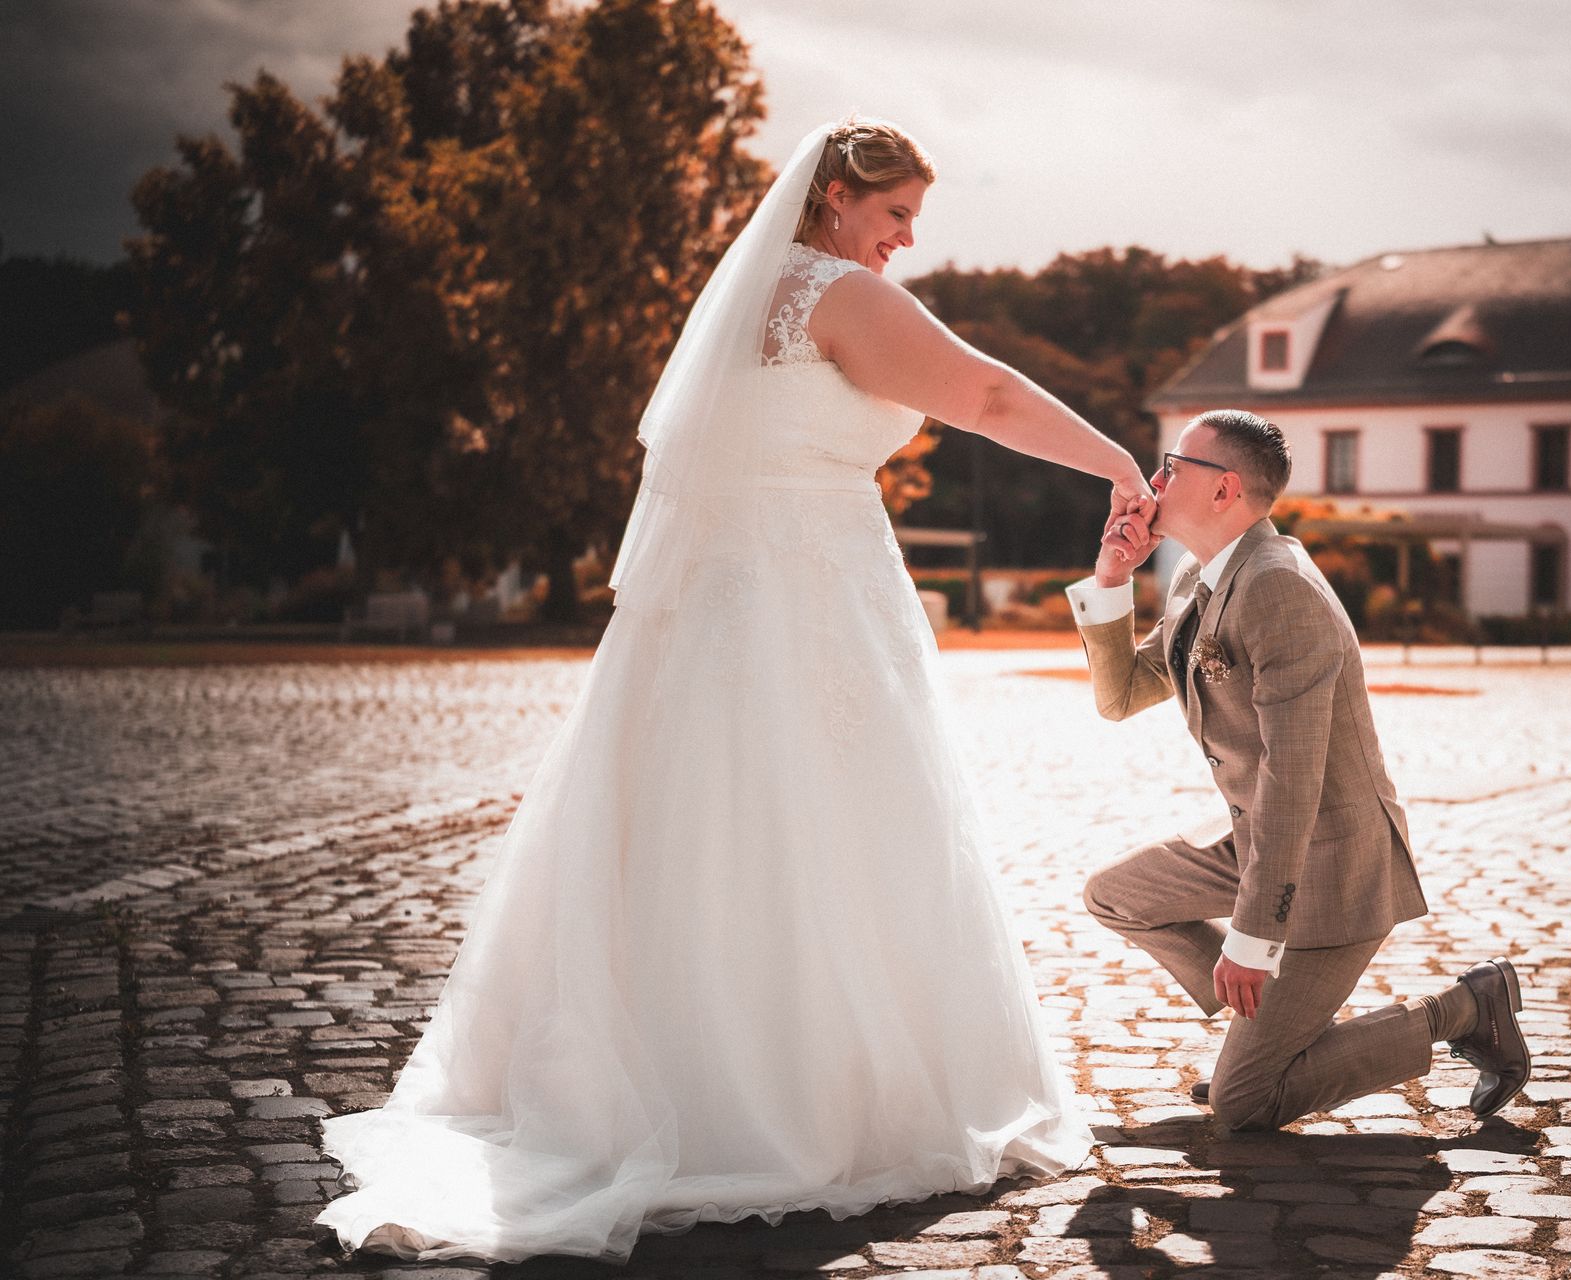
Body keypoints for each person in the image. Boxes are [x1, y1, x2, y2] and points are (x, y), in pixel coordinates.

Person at [314, 118, 1137, 1263]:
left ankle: (685, 1071)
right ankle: (801, 1096)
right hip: (813, 595)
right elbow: (988, 398)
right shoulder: (840, 296)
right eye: (896, 213)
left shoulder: (747, 298)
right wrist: (1119, 464)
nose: (903, 240)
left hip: (714, 605)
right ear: (838, 197)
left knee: (704, 830)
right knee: (826, 824)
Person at [1068, 409, 1531, 1133]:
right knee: (1115, 896)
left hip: (1334, 869)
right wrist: (1110, 577)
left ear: (1224, 491)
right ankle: (1266, 1026)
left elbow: (1294, 783)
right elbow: (1121, 696)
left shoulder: (1278, 588)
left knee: (1243, 1105)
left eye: (1171, 466)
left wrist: (1252, 944)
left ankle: (1468, 1008)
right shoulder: (1203, 574)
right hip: (1254, 845)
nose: (1153, 481)